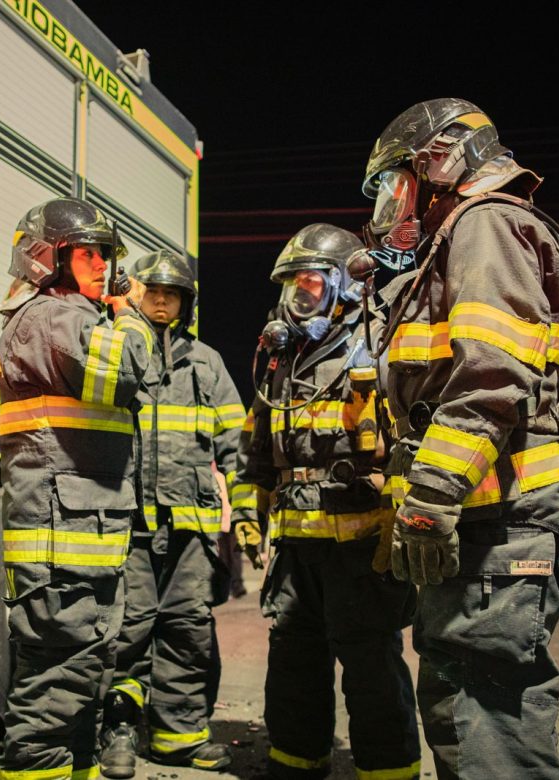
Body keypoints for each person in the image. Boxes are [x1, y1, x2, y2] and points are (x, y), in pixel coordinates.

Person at [361, 98, 559, 778]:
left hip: (498, 522)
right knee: (462, 706)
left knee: (489, 724)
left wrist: (429, 493)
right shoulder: (468, 234)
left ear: (439, 162)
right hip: (483, 522)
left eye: (398, 185)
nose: (396, 208)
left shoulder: (485, 225)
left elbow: (490, 376)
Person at [233, 223, 421, 779]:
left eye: (310, 283)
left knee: (370, 666)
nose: (297, 297)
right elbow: (257, 450)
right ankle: (295, 765)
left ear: (343, 284)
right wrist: (249, 512)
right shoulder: (280, 360)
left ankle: (388, 773)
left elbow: (413, 440)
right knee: (293, 661)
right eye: (291, 284)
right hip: (294, 548)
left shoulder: (380, 343)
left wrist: (406, 519)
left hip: (362, 546)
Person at [0, 197, 154, 780]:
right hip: (62, 538)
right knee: (55, 685)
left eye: (107, 256)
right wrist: (131, 313)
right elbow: (130, 371)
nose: (104, 267)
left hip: (78, 532)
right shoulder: (55, 316)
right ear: (46, 260)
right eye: (89, 254)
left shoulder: (65, 316)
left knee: (79, 672)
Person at [99, 250, 247, 777]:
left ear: (186, 302)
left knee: (187, 629)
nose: (162, 301)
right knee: (128, 629)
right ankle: (118, 732)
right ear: (137, 293)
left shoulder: (205, 362)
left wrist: (247, 510)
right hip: (129, 524)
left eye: (173, 294)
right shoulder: (118, 352)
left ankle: (178, 739)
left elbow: (237, 440)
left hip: (191, 527)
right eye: (154, 291)